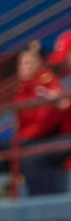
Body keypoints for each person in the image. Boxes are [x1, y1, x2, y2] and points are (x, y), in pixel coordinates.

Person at [15, 44, 70, 198]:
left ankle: (46, 212)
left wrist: (60, 105)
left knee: (29, 156)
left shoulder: (48, 83)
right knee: (1, 153)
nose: (61, 63)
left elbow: (45, 122)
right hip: (54, 138)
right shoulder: (27, 87)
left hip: (56, 139)